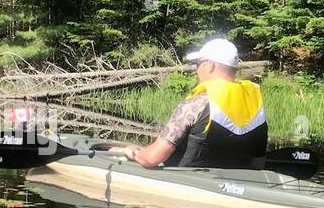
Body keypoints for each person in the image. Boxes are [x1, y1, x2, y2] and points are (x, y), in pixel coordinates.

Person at [112, 37, 267, 168]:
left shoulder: (195, 105)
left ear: (210, 65)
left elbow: (152, 158)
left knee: (125, 152)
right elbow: (258, 162)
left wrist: (133, 151)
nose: (196, 69)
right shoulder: (256, 106)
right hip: (235, 183)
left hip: (187, 182)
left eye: (198, 64)